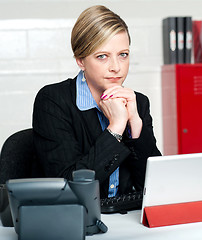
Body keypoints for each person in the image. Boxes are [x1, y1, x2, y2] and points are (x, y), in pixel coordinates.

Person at [32, 5, 161, 199]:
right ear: (80, 60)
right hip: (76, 221)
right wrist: (116, 128)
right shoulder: (53, 101)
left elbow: (154, 186)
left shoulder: (138, 103)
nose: (116, 67)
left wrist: (135, 124)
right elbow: (70, 188)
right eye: (102, 56)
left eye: (123, 55)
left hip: (127, 219)